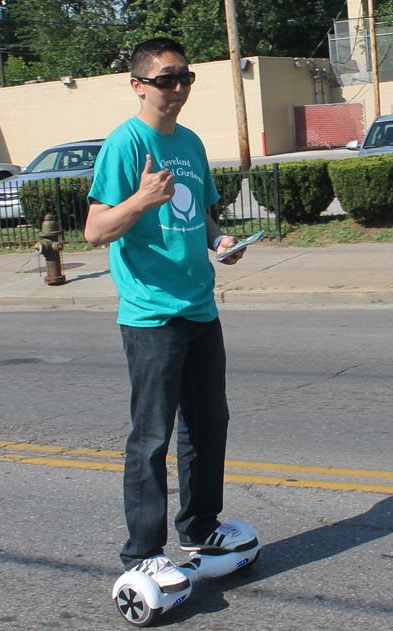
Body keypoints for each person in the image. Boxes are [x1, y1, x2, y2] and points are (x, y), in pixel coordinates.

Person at [85, 38, 247, 592]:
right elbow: (95, 229)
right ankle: (143, 553)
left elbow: (200, 215)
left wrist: (218, 239)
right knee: (151, 437)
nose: (178, 88)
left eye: (186, 77)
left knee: (208, 428)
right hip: (151, 314)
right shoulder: (125, 144)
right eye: (166, 78)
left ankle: (200, 529)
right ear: (138, 85)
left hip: (200, 305)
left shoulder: (193, 142)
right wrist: (139, 202)